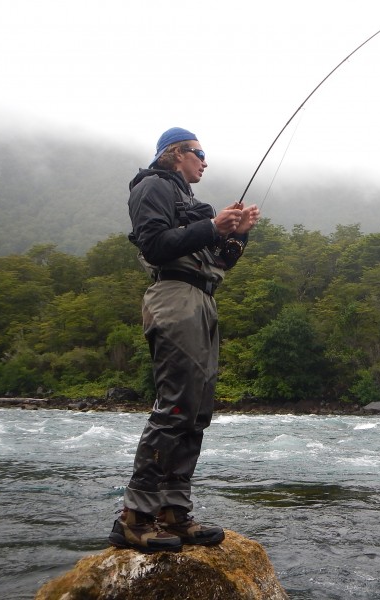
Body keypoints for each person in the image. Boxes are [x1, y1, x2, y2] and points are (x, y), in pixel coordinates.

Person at [109, 127, 260, 553]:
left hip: (202, 300)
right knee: (175, 407)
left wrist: (237, 232)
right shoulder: (153, 185)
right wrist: (213, 224)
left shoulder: (190, 203)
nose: (205, 161)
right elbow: (156, 246)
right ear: (175, 154)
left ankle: (174, 512)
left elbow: (219, 263)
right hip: (174, 298)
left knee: (196, 412)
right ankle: (135, 517)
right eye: (199, 153)